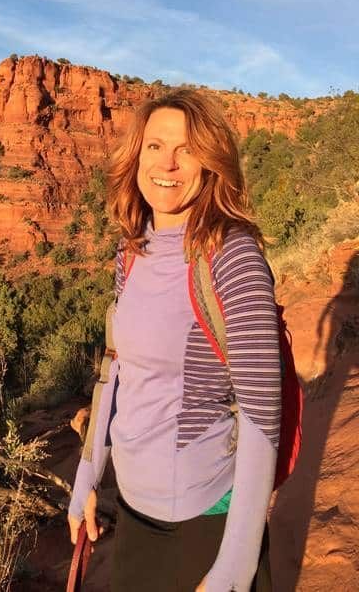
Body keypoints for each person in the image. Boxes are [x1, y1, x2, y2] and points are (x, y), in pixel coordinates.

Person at [67, 89, 281, 591]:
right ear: (135, 155)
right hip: (135, 511)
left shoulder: (233, 256)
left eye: (186, 149)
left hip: (204, 518)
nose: (168, 163)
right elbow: (115, 368)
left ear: (210, 163)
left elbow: (261, 414)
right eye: (155, 146)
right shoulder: (133, 248)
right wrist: (87, 476)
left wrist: (234, 566)